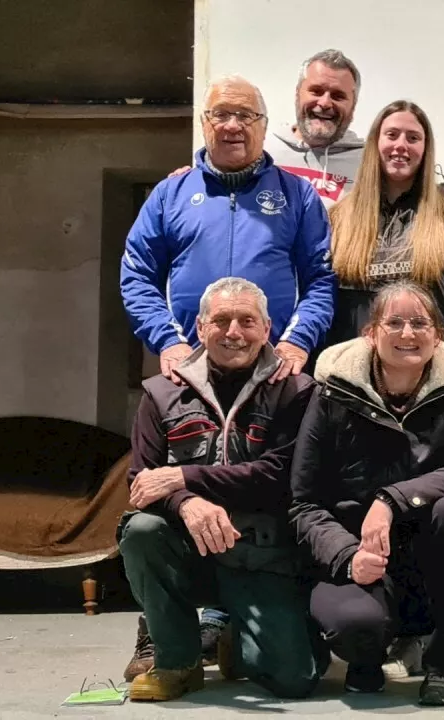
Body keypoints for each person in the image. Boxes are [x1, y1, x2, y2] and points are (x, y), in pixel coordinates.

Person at [118, 75, 335, 681]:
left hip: (269, 368)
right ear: (206, 124)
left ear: (266, 126)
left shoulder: (296, 196)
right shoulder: (171, 193)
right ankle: (165, 633)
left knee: (261, 484)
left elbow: (319, 278)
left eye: (246, 114)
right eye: (221, 115)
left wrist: (296, 340)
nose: (233, 125)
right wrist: (166, 339)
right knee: (156, 506)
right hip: (191, 366)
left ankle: (246, 617)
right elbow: (136, 272)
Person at [118, 277, 320, 702]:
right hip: (188, 549)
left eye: (247, 321)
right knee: (141, 530)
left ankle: (235, 637)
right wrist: (187, 502)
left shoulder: (297, 390)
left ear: (267, 329)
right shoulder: (161, 392)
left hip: (260, 554)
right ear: (200, 326)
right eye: (222, 320)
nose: (234, 332)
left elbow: (281, 477)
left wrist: (184, 478)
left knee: (294, 679)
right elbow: (141, 481)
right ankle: (178, 661)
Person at [290, 282, 444, 706]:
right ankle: (366, 658)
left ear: (437, 336)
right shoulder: (330, 395)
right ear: (370, 333)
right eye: (393, 322)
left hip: (427, 560)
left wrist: (390, 500)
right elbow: (304, 503)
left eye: (420, 323)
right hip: (356, 555)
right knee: (358, 627)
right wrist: (346, 556)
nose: (408, 334)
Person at [324, 100, 444, 390]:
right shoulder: (340, 217)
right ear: (375, 143)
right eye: (392, 135)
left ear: (426, 149)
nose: (401, 145)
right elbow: (325, 304)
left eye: (413, 138)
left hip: (432, 389)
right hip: (355, 389)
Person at [270, 48, 365, 207]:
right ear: (297, 95)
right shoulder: (263, 152)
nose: (325, 103)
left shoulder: (368, 162)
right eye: (316, 91)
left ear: (353, 106)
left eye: (338, 96)